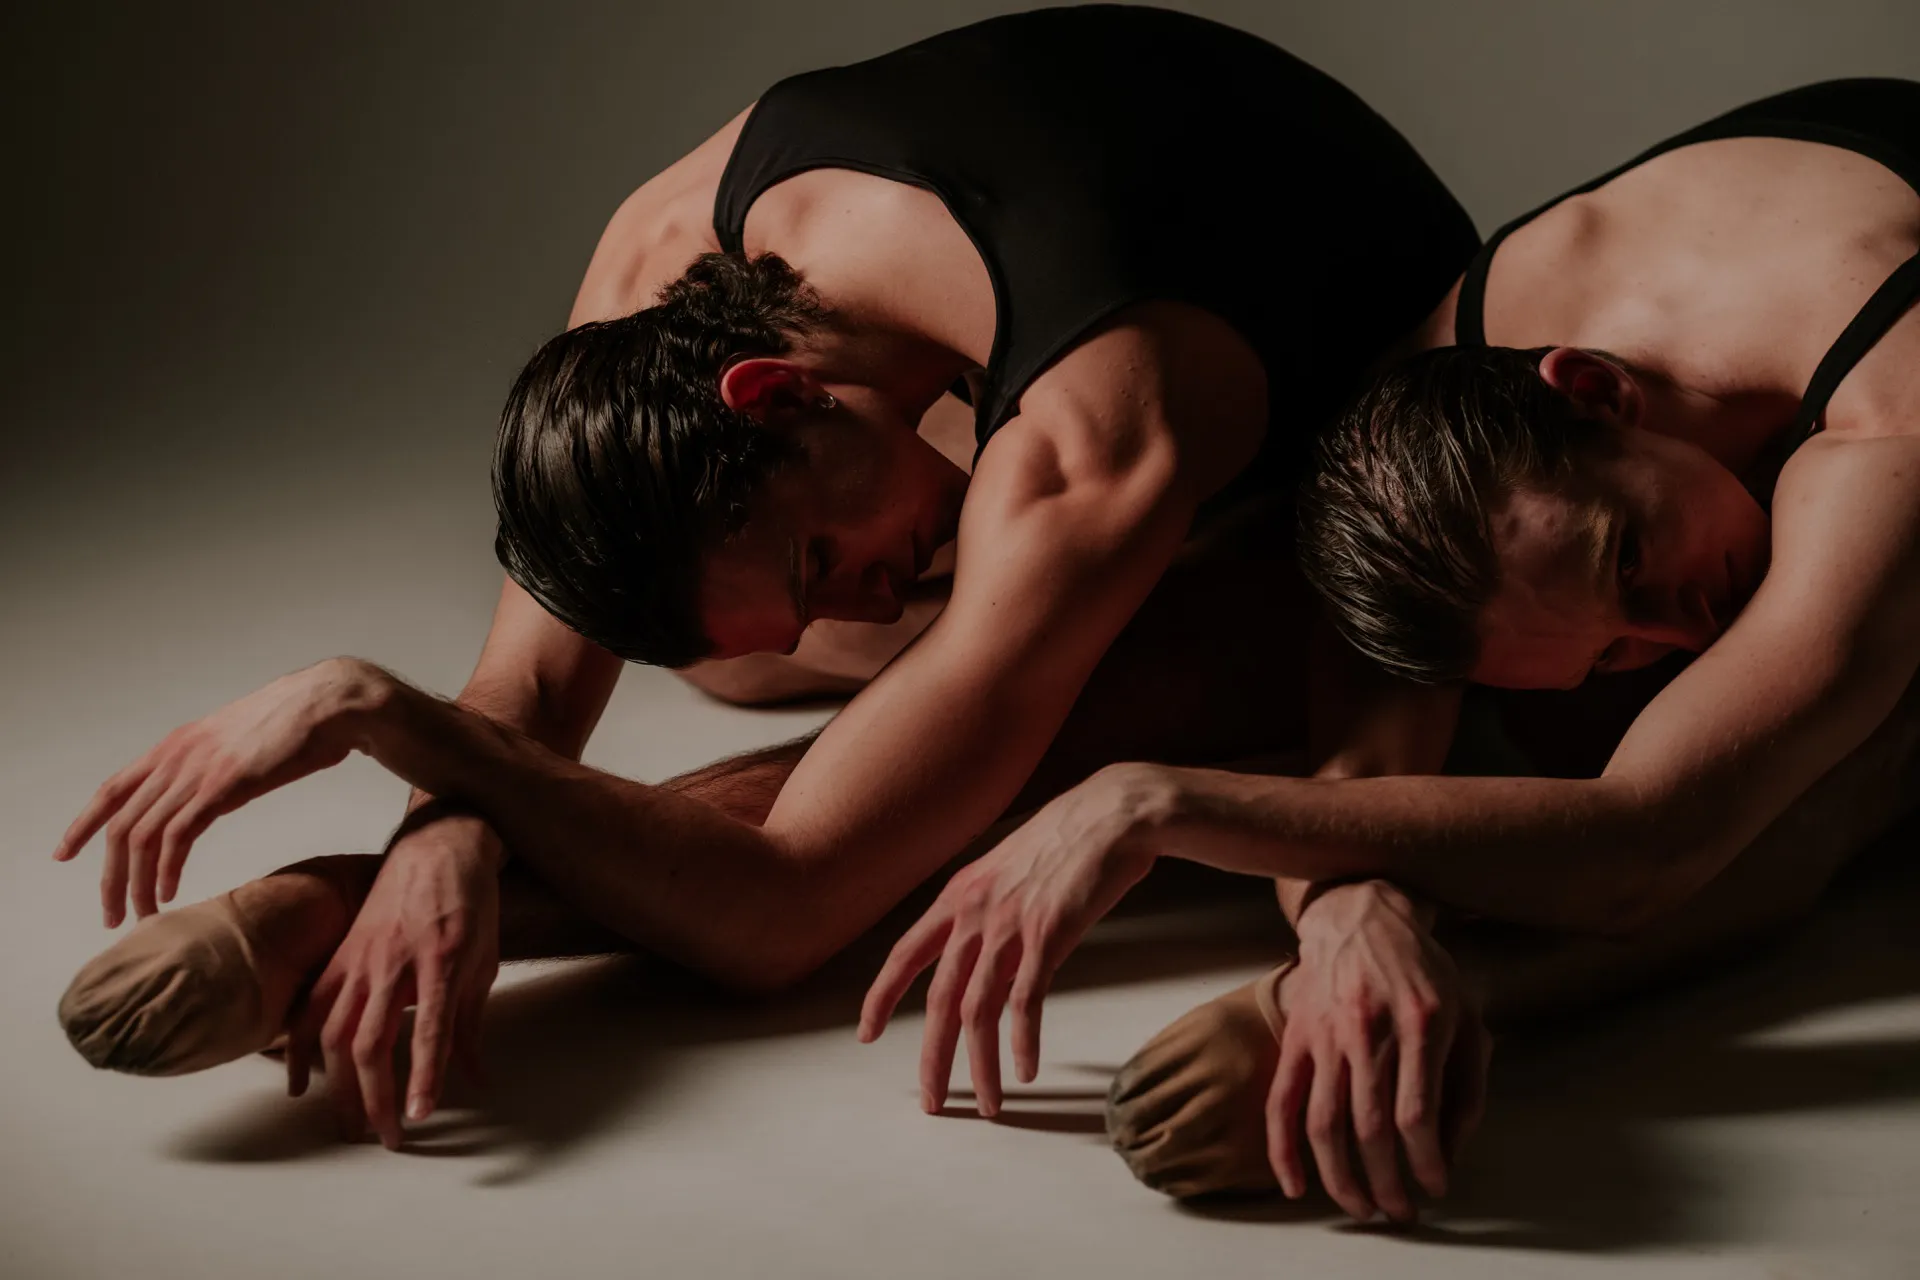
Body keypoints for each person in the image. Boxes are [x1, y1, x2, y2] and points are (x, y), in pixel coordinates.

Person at [50, 7, 1481, 1154]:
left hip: (1337, 485)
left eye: (814, 562)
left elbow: (779, 914)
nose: (852, 609)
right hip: (1018, 346)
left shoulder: (1103, 437)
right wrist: (448, 846)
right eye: (816, 575)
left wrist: (388, 731)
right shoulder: (665, 254)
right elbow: (536, 682)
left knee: (1021, 744)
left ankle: (317, 903)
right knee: (718, 646)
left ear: (771, 394)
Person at [858, 78, 1920, 1222]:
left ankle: (1462, 1007)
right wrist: (1351, 919)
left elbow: (1655, 835)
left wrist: (1152, 802)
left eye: (1627, 564)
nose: (1683, 639)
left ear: (1599, 393)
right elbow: (1362, 766)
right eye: (1615, 648)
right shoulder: (1436, 406)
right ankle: (1391, 1002)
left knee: (1809, 785)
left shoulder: (1891, 394)